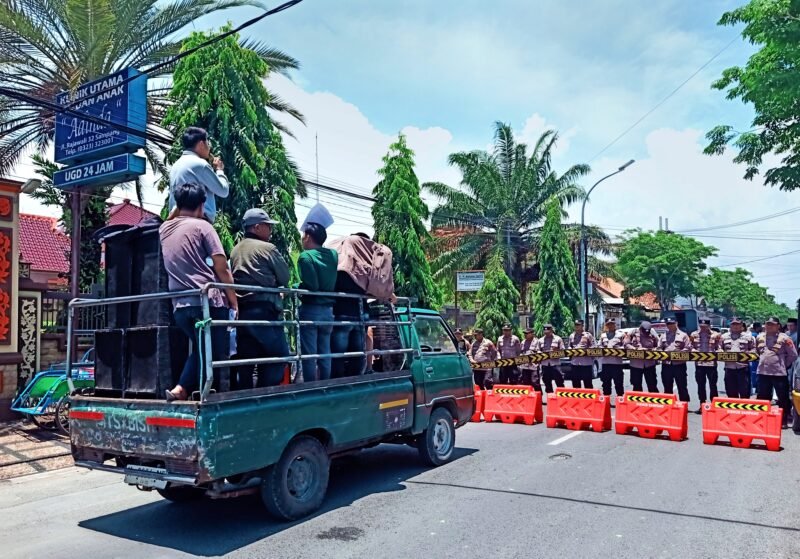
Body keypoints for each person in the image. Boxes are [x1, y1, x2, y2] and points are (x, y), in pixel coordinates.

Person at [162, 183, 236, 401]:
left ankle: (184, 390)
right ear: (202, 205)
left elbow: (170, 217)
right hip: (207, 304)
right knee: (212, 349)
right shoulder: (204, 227)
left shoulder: (164, 230)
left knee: (201, 348)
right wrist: (233, 300)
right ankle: (193, 391)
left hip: (180, 307)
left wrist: (178, 206)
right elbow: (221, 267)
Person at [229, 208, 290, 388]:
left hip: (243, 313)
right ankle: (265, 391)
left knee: (247, 359)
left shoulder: (235, 250)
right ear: (256, 227)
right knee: (279, 355)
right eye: (268, 226)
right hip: (265, 311)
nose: (271, 230)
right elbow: (285, 277)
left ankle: (245, 394)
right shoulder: (267, 248)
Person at [298, 217, 338, 382]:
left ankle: (310, 387)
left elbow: (312, 286)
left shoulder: (305, 257)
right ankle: (325, 384)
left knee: (310, 354)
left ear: (308, 237)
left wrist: (297, 286)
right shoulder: (333, 255)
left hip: (311, 310)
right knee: (325, 351)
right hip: (328, 312)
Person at [168, 127, 229, 223]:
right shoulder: (200, 164)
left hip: (177, 220)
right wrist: (219, 170)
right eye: (207, 143)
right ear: (201, 144)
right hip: (197, 220)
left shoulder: (176, 165)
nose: (209, 147)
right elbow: (223, 191)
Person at [756, 316, 798, 429]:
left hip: (779, 373)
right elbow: (757, 352)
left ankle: (783, 420)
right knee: (762, 397)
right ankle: (762, 419)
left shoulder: (785, 338)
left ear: (778, 326)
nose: (769, 326)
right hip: (763, 372)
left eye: (772, 324)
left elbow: (793, 355)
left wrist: (783, 364)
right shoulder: (760, 337)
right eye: (767, 324)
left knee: (782, 398)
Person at [720, 318, 755, 399]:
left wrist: (749, 354)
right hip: (729, 368)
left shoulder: (748, 337)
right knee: (731, 393)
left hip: (743, 368)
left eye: (737, 324)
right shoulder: (724, 337)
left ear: (741, 325)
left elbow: (754, 349)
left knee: (745, 393)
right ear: (730, 325)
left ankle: (744, 407)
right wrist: (721, 353)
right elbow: (719, 348)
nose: (735, 326)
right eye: (733, 324)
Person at [658, 317, 691, 403]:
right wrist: (662, 353)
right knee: (667, 386)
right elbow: (659, 348)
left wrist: (678, 354)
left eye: (672, 324)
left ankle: (684, 404)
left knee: (682, 386)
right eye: (668, 324)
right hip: (666, 364)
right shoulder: (663, 335)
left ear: (676, 323)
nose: (670, 326)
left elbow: (688, 348)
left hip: (679, 365)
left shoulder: (683, 335)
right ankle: (669, 405)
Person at [690, 318, 721, 408]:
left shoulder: (716, 335)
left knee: (713, 385)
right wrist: (693, 350)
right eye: (701, 326)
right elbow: (690, 346)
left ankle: (714, 404)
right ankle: (702, 403)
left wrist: (719, 351)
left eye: (705, 326)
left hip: (711, 364)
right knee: (700, 385)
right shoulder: (694, 334)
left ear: (709, 326)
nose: (703, 328)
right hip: (699, 364)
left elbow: (719, 347)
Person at [626, 321, 660, 392]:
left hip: (649, 364)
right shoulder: (633, 332)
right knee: (636, 386)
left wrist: (654, 350)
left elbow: (659, 345)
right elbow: (626, 344)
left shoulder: (652, 333)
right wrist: (635, 349)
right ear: (641, 328)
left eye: (648, 331)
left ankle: (654, 398)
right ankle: (637, 399)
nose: (646, 333)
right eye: (644, 331)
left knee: (652, 385)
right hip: (636, 364)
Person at [598, 318, 625, 397]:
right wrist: (603, 349)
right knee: (606, 385)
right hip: (606, 364)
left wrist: (618, 349)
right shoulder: (603, 336)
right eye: (609, 324)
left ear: (615, 325)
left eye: (612, 324)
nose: (610, 326)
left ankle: (620, 400)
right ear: (606, 326)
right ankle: (606, 402)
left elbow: (625, 346)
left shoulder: (621, 335)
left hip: (617, 364)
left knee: (619, 384)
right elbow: (598, 346)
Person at [538, 324, 566, 394]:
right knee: (547, 382)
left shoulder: (558, 339)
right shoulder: (540, 340)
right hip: (545, 364)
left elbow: (563, 351)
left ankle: (561, 397)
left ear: (551, 330)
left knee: (559, 381)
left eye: (548, 332)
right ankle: (549, 397)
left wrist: (556, 351)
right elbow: (538, 351)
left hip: (555, 364)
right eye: (545, 332)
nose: (546, 333)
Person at [567, 319, 595, 389]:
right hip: (575, 363)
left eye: (578, 325)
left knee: (588, 383)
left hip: (586, 363)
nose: (576, 326)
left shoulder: (588, 335)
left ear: (582, 326)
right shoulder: (572, 336)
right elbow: (569, 346)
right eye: (575, 325)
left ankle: (589, 396)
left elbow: (593, 347)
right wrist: (570, 349)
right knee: (575, 383)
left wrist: (585, 351)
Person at [749, 321, 763, 395]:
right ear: (757, 328)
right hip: (755, 358)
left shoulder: (752, 335)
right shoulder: (755, 336)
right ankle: (755, 389)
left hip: (752, 358)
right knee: (754, 373)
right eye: (760, 327)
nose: (761, 328)